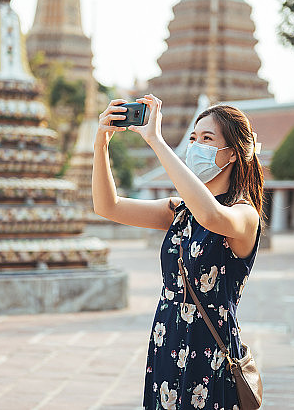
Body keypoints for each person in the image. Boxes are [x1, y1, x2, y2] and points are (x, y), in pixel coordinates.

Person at [93, 94, 265, 410]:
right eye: (193, 138)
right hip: (167, 337)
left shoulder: (243, 214)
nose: (195, 146)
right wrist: (101, 142)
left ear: (231, 154)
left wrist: (156, 141)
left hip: (209, 349)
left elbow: (212, 216)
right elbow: (108, 206)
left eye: (207, 139)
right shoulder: (179, 210)